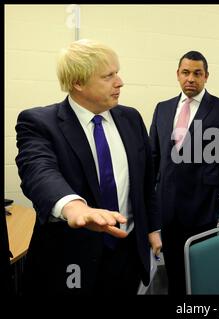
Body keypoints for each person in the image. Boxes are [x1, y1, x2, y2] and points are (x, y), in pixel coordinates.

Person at [15, 39, 162, 295]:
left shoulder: (131, 118)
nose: (120, 82)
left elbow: (146, 183)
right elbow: (38, 170)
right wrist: (72, 206)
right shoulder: (39, 123)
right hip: (72, 259)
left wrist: (152, 229)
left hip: (127, 250)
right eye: (108, 76)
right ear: (78, 83)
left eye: (117, 72)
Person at [149, 51, 219, 295]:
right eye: (186, 72)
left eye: (197, 73)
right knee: (175, 270)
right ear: (178, 75)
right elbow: (154, 156)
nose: (191, 78)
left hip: (203, 205)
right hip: (168, 205)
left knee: (200, 270)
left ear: (206, 77)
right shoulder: (163, 108)